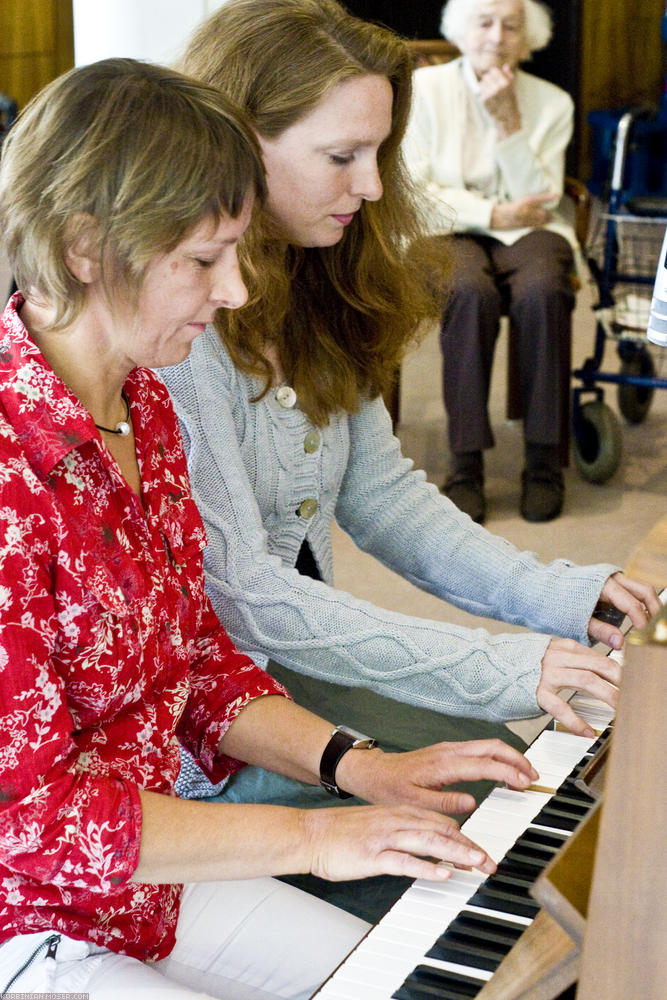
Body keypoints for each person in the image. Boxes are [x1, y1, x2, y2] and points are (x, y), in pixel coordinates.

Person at [0, 57, 549, 1000]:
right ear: (87, 247)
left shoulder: (143, 410)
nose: (236, 294)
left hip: (145, 892)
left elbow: (200, 660)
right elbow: (34, 820)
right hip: (29, 919)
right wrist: (314, 836)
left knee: (440, 985)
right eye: (202, 261)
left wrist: (355, 766)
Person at [403, 0, 578, 523]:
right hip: (448, 227)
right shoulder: (425, 93)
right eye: (484, 22)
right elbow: (415, 191)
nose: (497, 36)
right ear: (460, 31)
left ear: (529, 39)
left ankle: (545, 460)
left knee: (545, 288)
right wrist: (492, 212)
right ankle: (465, 463)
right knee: (467, 290)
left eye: (511, 25)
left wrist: (508, 124)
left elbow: (541, 198)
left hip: (531, 229)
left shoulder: (551, 102)